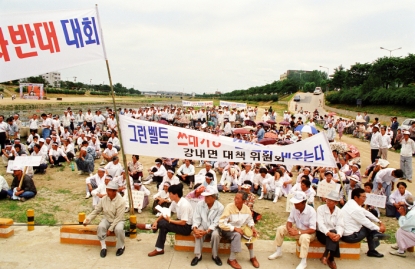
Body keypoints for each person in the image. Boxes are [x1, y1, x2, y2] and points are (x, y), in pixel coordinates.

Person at [141, 183, 193, 257]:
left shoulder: (184, 205)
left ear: (176, 194)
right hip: (180, 223)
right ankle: (159, 249)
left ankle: (150, 227)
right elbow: (166, 213)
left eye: (170, 193)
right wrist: (156, 221)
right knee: (163, 225)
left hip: (186, 227)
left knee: (165, 224)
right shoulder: (175, 202)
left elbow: (183, 222)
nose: (168, 195)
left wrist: (170, 220)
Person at [269, 191, 316, 269]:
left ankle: (303, 262)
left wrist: (298, 232)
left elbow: (312, 229)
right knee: (280, 229)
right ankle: (278, 251)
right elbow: (289, 221)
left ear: (304, 202)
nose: (295, 204)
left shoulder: (311, 211)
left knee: (304, 237)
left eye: (297, 203)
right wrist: (289, 228)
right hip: (297, 230)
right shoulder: (295, 208)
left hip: (308, 232)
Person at [341, 188, 389, 258]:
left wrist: (379, 221)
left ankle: (375, 235)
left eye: (365, 197)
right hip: (350, 237)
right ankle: (372, 247)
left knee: (369, 226)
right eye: (363, 197)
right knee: (368, 227)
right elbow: (366, 222)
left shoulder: (350, 202)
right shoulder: (355, 209)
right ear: (355, 197)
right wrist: (379, 228)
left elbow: (365, 212)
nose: (365, 199)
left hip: (346, 233)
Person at [83, 180, 125, 258]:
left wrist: (110, 229)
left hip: (118, 220)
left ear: (114, 191)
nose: (107, 192)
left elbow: (118, 217)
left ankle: (121, 247)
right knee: (101, 226)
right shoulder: (104, 199)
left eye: (109, 190)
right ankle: (103, 247)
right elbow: (96, 210)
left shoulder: (121, 201)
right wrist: (88, 219)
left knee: (119, 229)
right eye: (107, 189)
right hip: (107, 218)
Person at [219, 191, 260, 269]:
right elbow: (221, 223)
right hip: (227, 230)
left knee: (250, 235)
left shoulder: (246, 209)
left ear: (244, 201)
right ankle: (231, 259)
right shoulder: (229, 207)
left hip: (240, 229)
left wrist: (253, 228)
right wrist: (234, 228)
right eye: (235, 197)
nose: (235, 200)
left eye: (238, 198)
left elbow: (250, 220)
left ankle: (252, 257)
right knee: (237, 235)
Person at [191, 186, 224, 266]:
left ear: (214, 197)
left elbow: (216, 222)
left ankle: (215, 255)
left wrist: (206, 231)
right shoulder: (200, 204)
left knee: (215, 235)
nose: (205, 198)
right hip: (203, 225)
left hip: (214, 228)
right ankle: (198, 255)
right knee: (198, 233)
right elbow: (196, 217)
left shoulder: (220, 207)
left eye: (207, 196)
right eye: (205, 196)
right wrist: (195, 228)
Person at [316, 191, 344, 269]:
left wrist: (339, 234)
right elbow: (320, 224)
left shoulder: (339, 212)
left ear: (335, 202)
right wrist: (328, 233)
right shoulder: (320, 209)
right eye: (327, 200)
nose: (328, 202)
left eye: (331, 201)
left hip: (333, 235)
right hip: (322, 234)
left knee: (335, 232)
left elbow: (340, 225)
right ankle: (330, 258)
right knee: (332, 233)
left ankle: (327, 255)